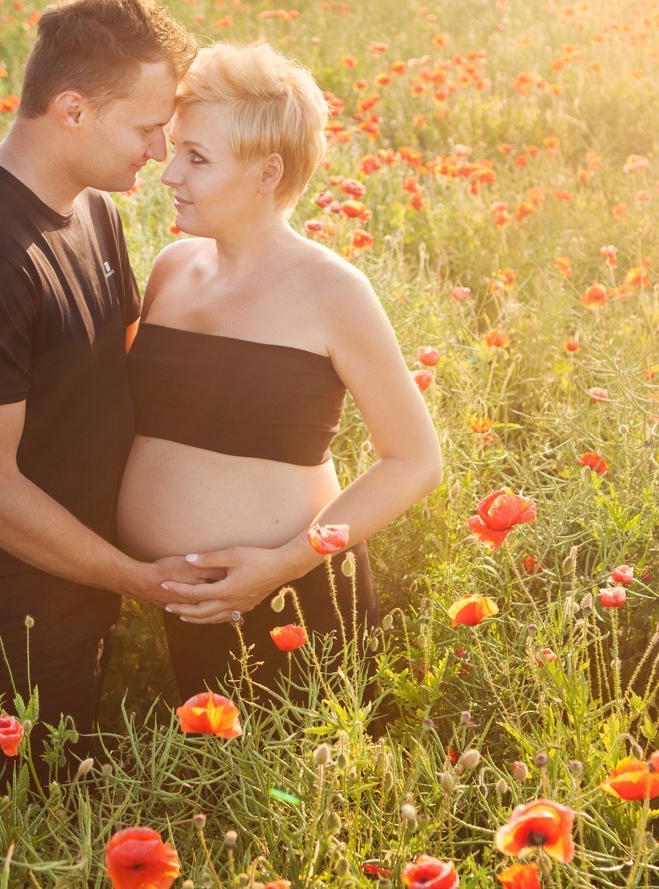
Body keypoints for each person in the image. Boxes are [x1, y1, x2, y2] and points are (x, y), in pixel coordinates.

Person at [0, 0, 201, 768]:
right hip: (3, 604)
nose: (159, 152)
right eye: (146, 128)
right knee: (31, 813)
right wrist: (136, 577)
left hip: (79, 573)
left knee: (77, 782)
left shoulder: (91, 208)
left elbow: (119, 369)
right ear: (72, 110)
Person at [116, 42, 442, 700]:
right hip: (160, 609)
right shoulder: (171, 269)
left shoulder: (332, 292)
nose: (169, 173)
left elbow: (414, 461)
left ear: (268, 172)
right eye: (175, 149)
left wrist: (280, 565)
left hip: (291, 606)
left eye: (197, 158)